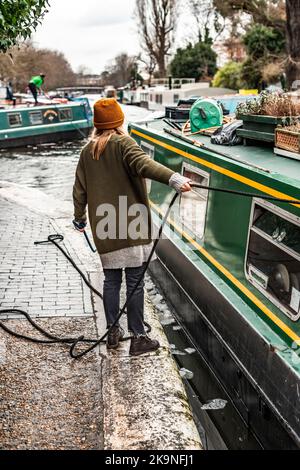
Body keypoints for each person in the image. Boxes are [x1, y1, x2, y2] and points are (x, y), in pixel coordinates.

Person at [72, 98, 192, 356]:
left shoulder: (87, 151)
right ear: (119, 121)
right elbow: (144, 165)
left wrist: (79, 218)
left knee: (111, 280)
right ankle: (138, 337)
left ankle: (113, 333)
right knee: (135, 282)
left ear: (97, 124)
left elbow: (79, 190)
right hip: (132, 221)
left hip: (103, 223)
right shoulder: (124, 143)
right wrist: (174, 178)